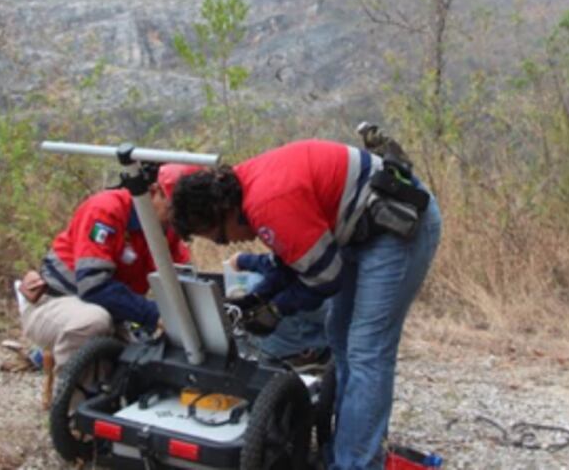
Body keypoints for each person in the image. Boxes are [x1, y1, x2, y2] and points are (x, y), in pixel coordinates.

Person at [171, 138, 442, 470]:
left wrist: (277, 309)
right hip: (360, 227)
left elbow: (326, 279)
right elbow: (293, 259)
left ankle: (356, 463)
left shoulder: (267, 203)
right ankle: (347, 449)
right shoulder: (243, 190)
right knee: (339, 337)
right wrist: (258, 298)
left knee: (367, 351)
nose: (230, 243)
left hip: (398, 227)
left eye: (221, 237)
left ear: (222, 211)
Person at [18, 163, 199, 371]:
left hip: (109, 312)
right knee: (94, 322)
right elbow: (93, 286)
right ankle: (76, 402)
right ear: (153, 192)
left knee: (143, 368)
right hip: (55, 301)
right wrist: (156, 314)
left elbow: (184, 278)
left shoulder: (167, 229)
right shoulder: (106, 209)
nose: (178, 218)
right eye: (174, 209)